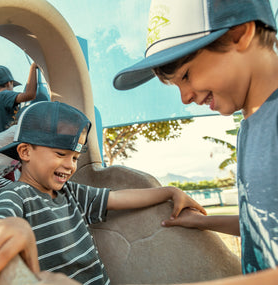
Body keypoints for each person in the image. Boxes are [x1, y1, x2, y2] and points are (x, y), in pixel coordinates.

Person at [113, 0, 278, 278]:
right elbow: (263, 223)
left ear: (239, 33)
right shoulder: (249, 127)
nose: (185, 97)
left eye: (186, 75)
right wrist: (202, 221)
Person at [0, 101, 206, 285]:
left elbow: (117, 198)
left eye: (75, 157)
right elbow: (0, 223)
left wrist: (168, 192)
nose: (70, 165)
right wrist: (13, 226)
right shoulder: (16, 194)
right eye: (60, 154)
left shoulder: (71, 193)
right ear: (25, 152)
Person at [0, 63, 38, 139]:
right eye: (13, 85)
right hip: (5, 144)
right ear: (9, 83)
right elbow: (30, 95)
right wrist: (33, 67)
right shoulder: (4, 95)